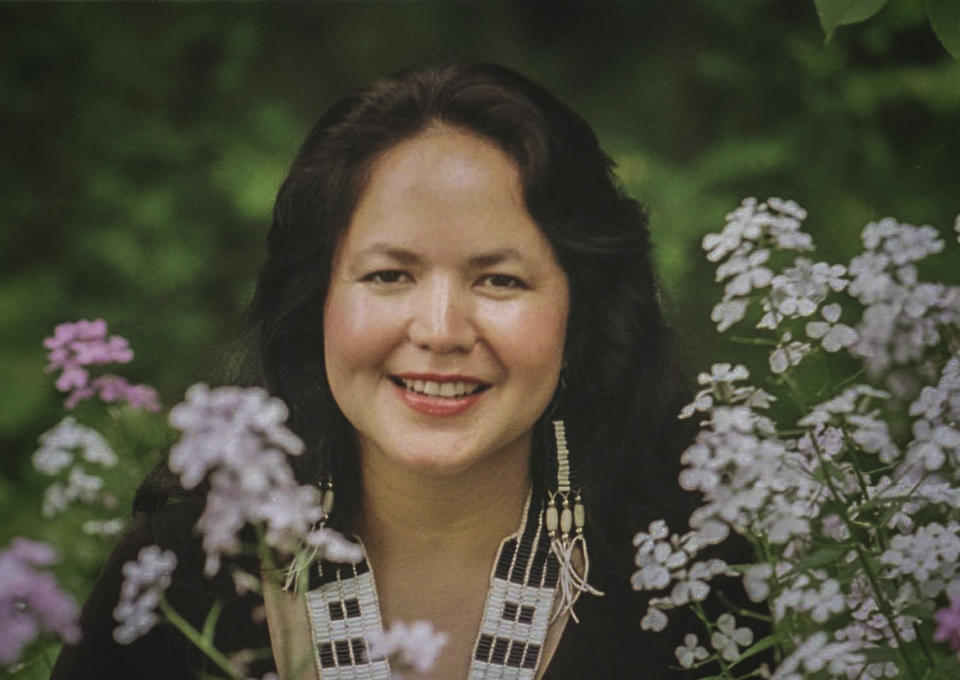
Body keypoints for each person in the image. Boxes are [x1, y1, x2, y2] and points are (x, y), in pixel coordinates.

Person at [51, 61, 724, 680]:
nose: (439, 331)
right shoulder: (183, 570)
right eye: (389, 274)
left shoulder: (690, 577)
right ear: (315, 301)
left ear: (582, 314)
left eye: (498, 280)